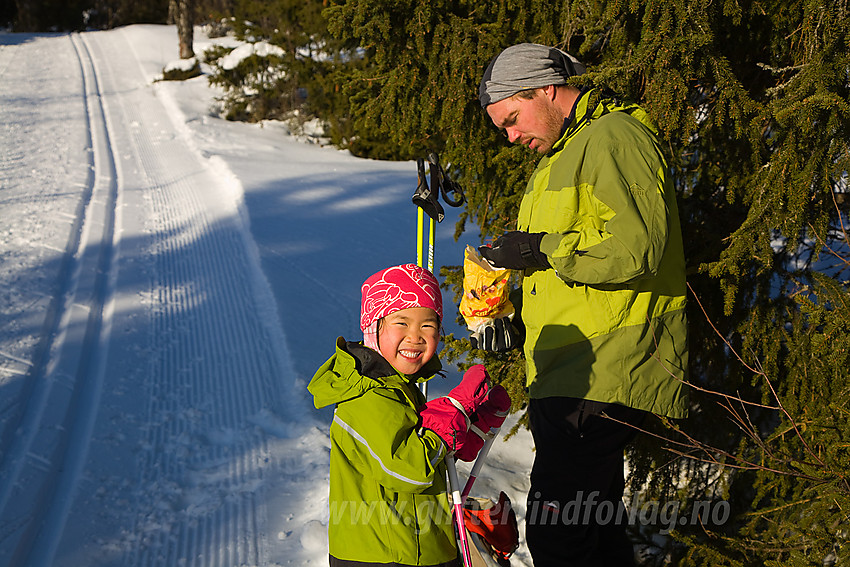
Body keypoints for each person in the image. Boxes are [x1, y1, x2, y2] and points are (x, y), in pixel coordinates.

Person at [474, 43, 689, 566]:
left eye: (511, 118)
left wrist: (538, 248)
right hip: (573, 365)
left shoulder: (611, 137)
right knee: (594, 532)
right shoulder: (562, 155)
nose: (510, 136)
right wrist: (520, 324)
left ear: (545, 89)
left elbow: (635, 246)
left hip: (600, 369)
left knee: (559, 535)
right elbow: (578, 266)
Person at [308, 264, 509, 567]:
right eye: (401, 323)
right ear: (372, 327)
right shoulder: (366, 397)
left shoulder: (400, 388)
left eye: (428, 326)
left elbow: (428, 448)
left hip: (422, 548)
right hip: (382, 558)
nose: (416, 337)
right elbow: (408, 469)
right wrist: (454, 409)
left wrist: (472, 426)